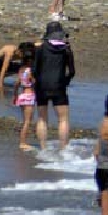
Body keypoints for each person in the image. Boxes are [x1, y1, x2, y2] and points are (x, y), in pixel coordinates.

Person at [34, 22, 75, 150]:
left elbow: (34, 69)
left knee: (42, 118)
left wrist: (38, 81)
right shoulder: (66, 49)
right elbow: (72, 71)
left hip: (41, 86)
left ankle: (43, 148)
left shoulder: (40, 49)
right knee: (63, 119)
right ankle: (63, 149)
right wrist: (66, 81)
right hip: (59, 86)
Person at [13, 46, 37, 150]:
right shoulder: (31, 70)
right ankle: (22, 143)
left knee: (25, 120)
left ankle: (23, 141)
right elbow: (34, 82)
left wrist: (15, 95)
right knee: (27, 121)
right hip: (29, 96)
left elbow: (17, 83)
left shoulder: (21, 70)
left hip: (22, 95)